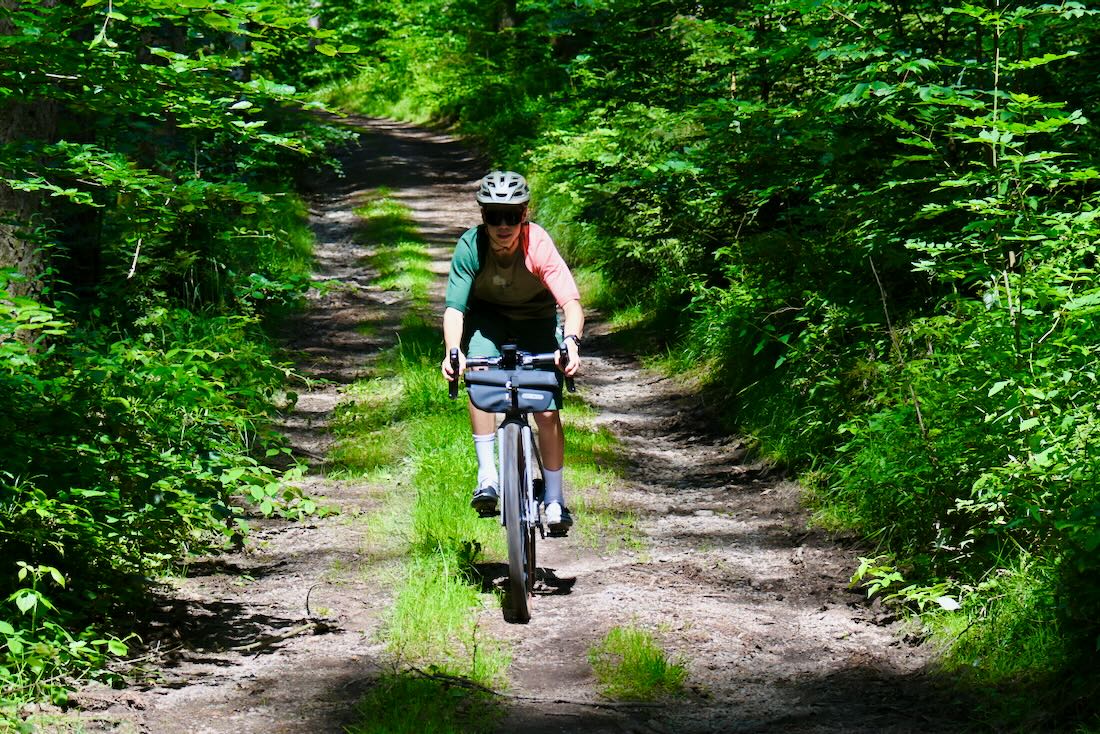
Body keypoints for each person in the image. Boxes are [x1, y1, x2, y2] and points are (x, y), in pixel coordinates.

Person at [440, 170, 584, 534]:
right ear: (483, 217)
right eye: (493, 215)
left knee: (547, 410)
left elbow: (570, 302)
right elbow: (455, 309)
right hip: (488, 321)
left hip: (536, 321)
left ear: (524, 214)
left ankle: (554, 499)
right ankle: (487, 475)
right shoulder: (471, 246)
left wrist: (570, 343)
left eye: (512, 215)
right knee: (477, 373)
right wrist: (452, 351)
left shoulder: (537, 244)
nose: (503, 224)